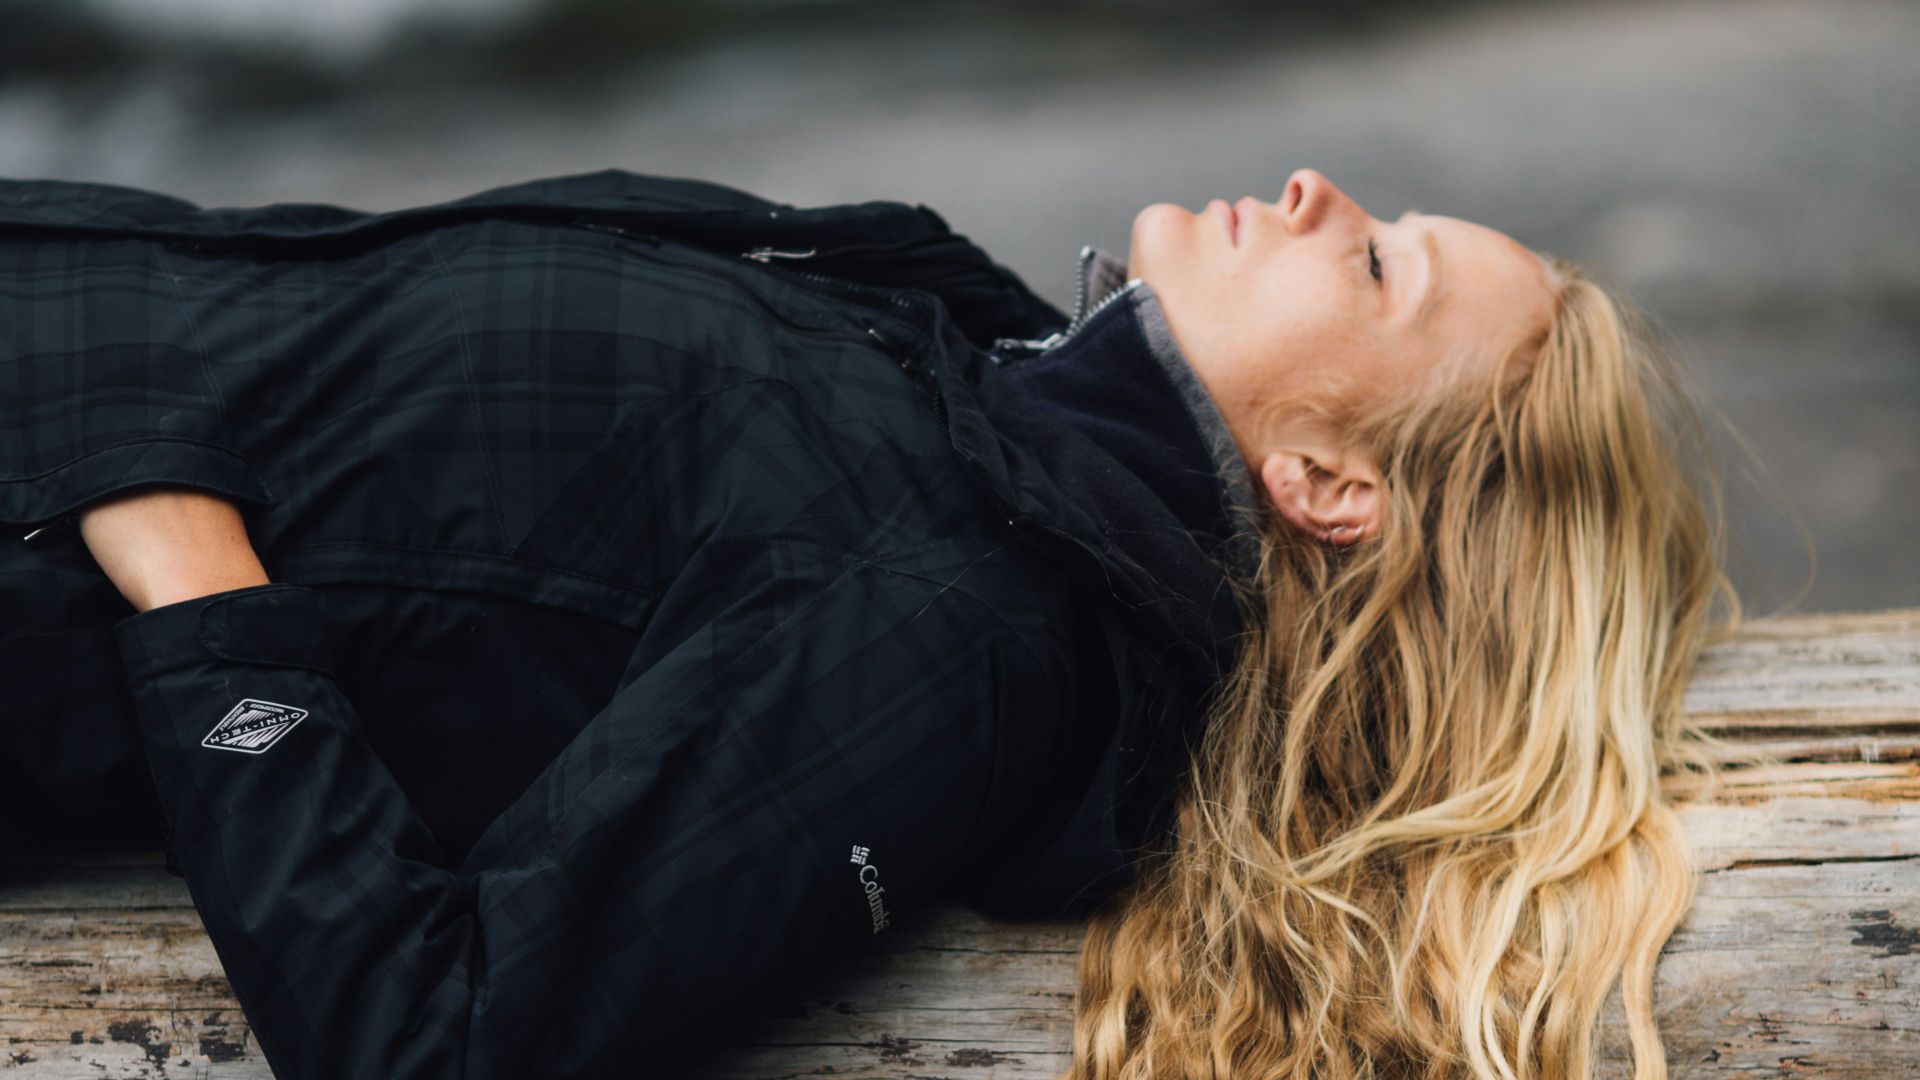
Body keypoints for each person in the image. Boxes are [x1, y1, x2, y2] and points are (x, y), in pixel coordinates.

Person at [0, 166, 1740, 1079]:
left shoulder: (970, 629)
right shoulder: (974, 368)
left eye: (1377, 265)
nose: (1312, 194)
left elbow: (439, 1041)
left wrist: (189, 570)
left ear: (1327, 484)